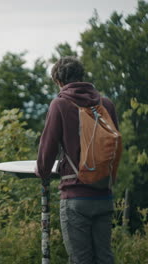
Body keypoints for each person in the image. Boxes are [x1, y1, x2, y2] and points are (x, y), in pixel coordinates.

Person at [35, 56, 119, 264]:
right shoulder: (105, 104)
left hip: (75, 196)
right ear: (81, 76)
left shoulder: (60, 104)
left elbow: (47, 150)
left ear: (59, 81)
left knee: (81, 260)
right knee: (105, 258)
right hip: (104, 194)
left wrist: (42, 171)